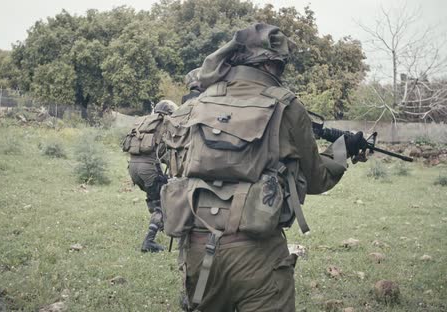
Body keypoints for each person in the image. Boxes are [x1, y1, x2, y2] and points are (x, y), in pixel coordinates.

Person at [165, 23, 368, 311]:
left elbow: (178, 162)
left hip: (197, 245)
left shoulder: (200, 102)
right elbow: (316, 179)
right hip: (256, 251)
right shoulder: (286, 105)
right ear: (271, 64)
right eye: (281, 64)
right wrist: (342, 150)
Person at [122, 100, 178, 252]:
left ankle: (158, 221)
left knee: (155, 196)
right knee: (163, 202)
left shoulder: (144, 123)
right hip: (148, 168)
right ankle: (149, 241)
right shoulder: (165, 124)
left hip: (133, 168)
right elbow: (172, 151)